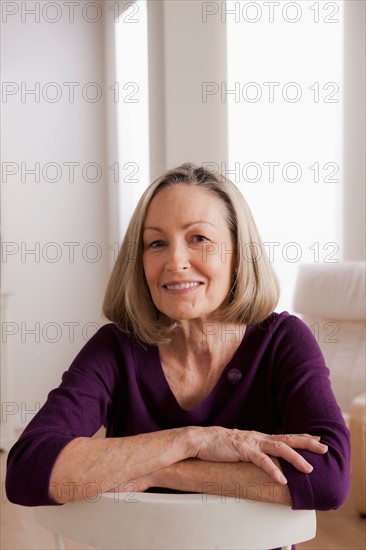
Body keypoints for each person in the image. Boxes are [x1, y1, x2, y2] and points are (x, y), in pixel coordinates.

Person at [6, 163, 350, 512]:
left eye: (198, 238)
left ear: (238, 252)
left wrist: (163, 471)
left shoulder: (282, 341)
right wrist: (194, 440)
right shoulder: (116, 347)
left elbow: (327, 479)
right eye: (156, 243)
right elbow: (28, 470)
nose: (175, 261)